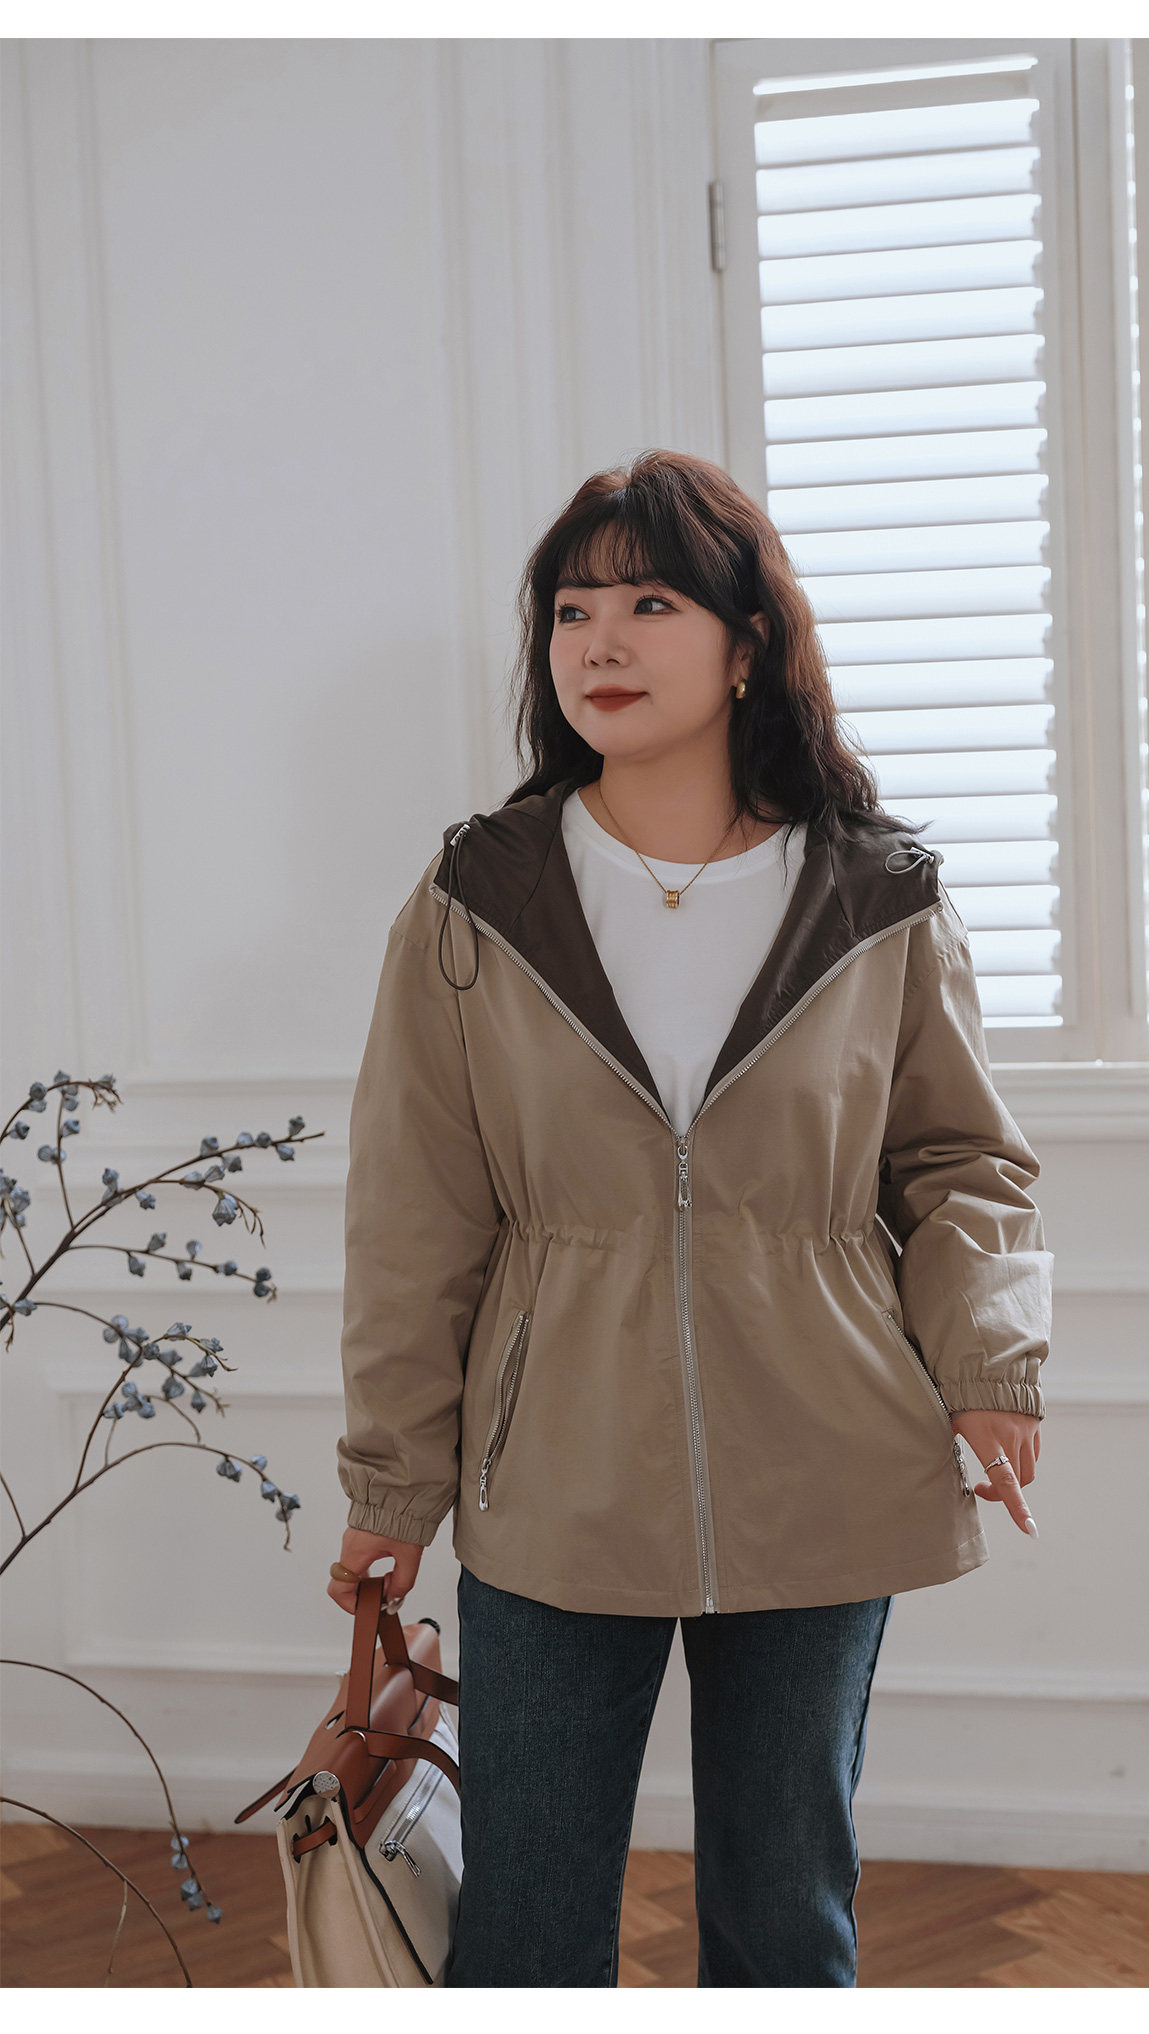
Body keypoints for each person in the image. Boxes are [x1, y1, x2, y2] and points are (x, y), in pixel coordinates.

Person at [326, 449, 1051, 1987]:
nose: (600, 639)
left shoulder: (877, 895)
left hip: (826, 1459)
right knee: (527, 1925)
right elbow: (414, 1213)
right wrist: (393, 1477)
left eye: (651, 603)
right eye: (571, 609)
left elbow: (962, 1163)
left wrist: (990, 1364)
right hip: (553, 1471)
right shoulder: (477, 899)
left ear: (745, 645)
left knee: (786, 1916)